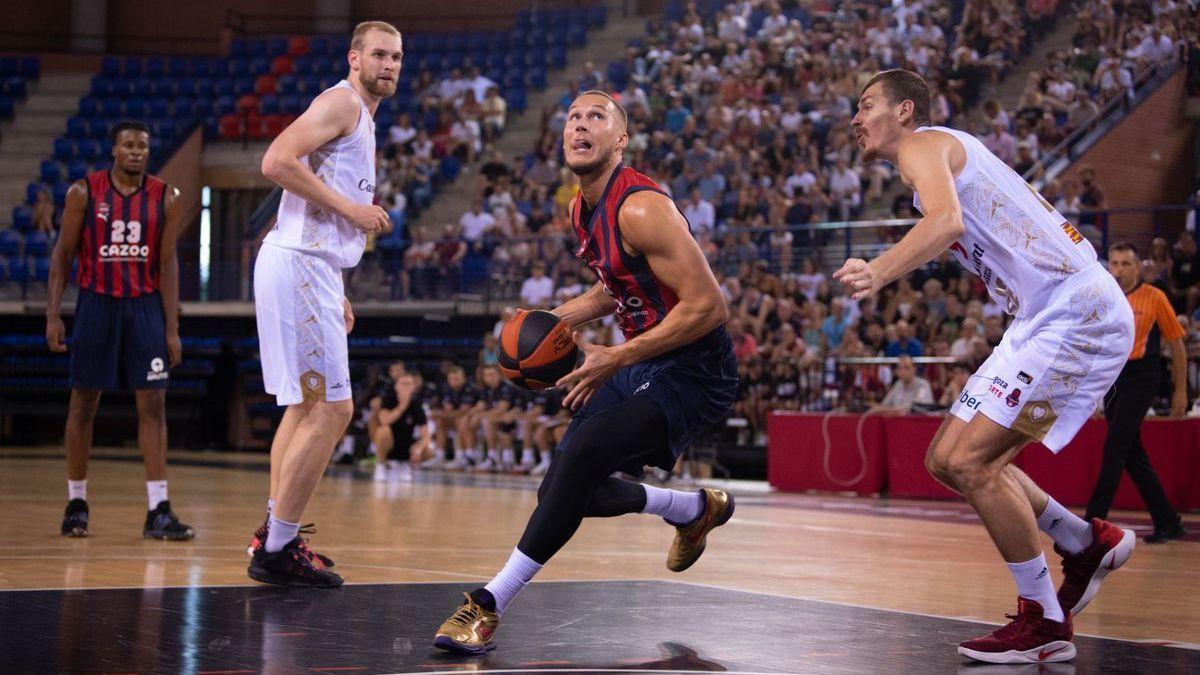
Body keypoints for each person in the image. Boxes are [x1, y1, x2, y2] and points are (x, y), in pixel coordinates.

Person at [836, 70, 1136, 665]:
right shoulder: (932, 160)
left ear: (904, 111)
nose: (855, 117)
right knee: (946, 460)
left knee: (973, 462)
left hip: (1078, 314)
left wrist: (879, 269)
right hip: (1043, 317)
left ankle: (1044, 620)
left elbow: (944, 224)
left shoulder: (923, 144)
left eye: (867, 104)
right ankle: (1084, 541)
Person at [434, 90, 739, 654]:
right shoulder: (580, 208)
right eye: (573, 116)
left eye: (596, 116)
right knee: (569, 488)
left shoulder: (642, 207)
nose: (580, 124)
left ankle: (487, 604)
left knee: (576, 462)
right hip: (644, 360)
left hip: (695, 370)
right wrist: (554, 320)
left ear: (620, 139)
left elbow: (709, 307)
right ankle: (695, 509)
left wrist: (616, 356)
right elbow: (615, 286)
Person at [246, 21, 399, 587]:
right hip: (300, 263)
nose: (389, 65)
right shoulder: (342, 102)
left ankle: (273, 532)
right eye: (379, 54)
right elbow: (276, 161)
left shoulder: (362, 116)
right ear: (354, 58)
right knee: (332, 410)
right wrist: (352, 214)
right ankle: (278, 548)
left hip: (310, 267)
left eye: (397, 57)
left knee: (305, 407)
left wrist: (335, 285)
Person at [46, 120, 193, 541]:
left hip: (144, 305)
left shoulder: (166, 196)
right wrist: (53, 314)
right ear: (114, 150)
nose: (135, 152)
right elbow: (63, 256)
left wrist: (171, 327)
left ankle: (158, 509)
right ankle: (76, 503)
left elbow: (167, 265)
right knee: (83, 403)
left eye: (142, 146)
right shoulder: (83, 193)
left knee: (154, 404)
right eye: (128, 145)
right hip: (96, 303)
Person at [1085, 243, 1188, 543]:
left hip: (1143, 375)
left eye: (1125, 264)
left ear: (1137, 267)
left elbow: (1177, 346)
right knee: (1131, 452)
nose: (1118, 269)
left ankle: (1091, 525)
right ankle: (1167, 520)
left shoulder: (1155, 297)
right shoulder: (1106, 299)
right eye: (1114, 263)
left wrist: (1180, 391)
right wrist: (1093, 393)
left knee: (1115, 448)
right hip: (1113, 376)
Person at [371, 373, 431, 482]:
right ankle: (381, 465)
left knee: (430, 450)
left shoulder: (417, 405)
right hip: (389, 444)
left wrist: (418, 449)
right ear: (396, 386)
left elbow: (426, 435)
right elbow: (384, 420)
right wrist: (402, 406)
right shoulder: (389, 400)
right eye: (402, 383)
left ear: (414, 387)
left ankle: (404, 465)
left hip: (407, 445)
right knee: (383, 431)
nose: (405, 387)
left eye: (409, 384)